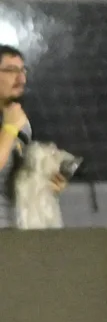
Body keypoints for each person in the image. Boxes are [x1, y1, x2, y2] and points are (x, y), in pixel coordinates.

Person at [0, 46, 64, 229]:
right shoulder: (14, 122)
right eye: (11, 71)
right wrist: (9, 128)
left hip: (13, 228)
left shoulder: (21, 121)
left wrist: (45, 182)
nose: (20, 78)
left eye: (22, 70)